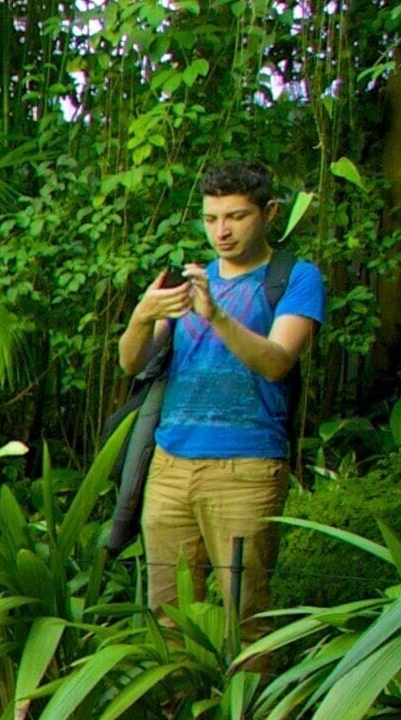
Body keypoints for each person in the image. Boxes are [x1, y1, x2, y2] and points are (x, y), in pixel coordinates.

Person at [115, 161, 323, 615]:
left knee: (244, 615)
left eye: (236, 216)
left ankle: (246, 690)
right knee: (167, 615)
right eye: (211, 219)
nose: (221, 231)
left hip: (246, 467)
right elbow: (133, 362)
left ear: (268, 213)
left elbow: (276, 362)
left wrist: (217, 316)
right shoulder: (192, 282)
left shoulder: (295, 278)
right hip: (170, 464)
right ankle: (180, 690)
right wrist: (141, 316)